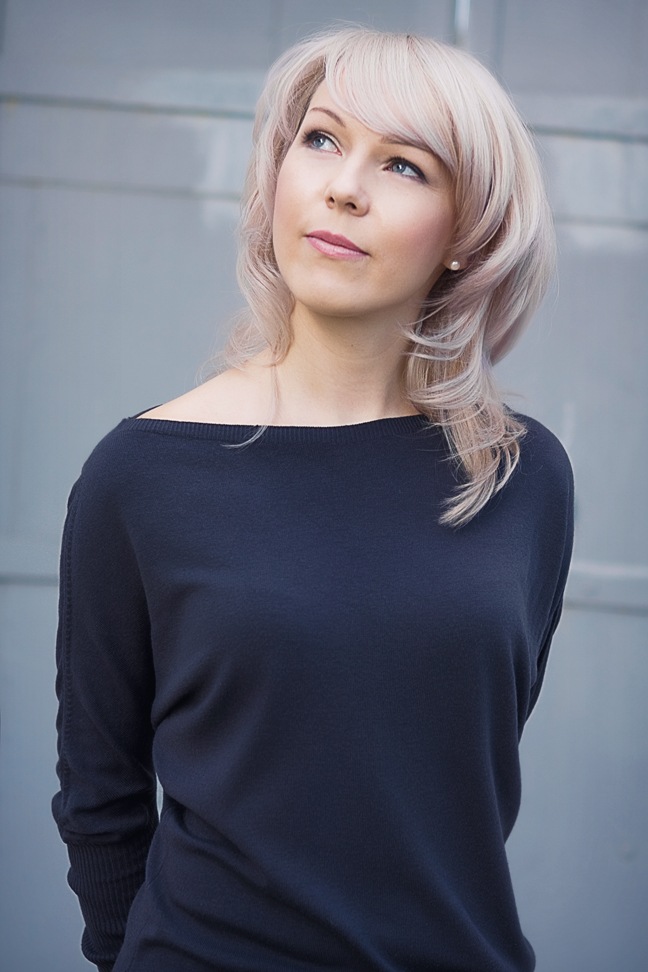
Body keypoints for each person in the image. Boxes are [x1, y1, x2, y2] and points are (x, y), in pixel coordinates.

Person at [52, 26, 574, 972]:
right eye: (322, 139)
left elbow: (456, 768)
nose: (343, 187)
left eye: (405, 164)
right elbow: (99, 790)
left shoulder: (522, 476)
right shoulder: (141, 472)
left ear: (469, 235)